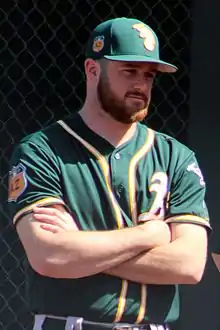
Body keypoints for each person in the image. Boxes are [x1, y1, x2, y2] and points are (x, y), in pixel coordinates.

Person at [8, 17, 210, 330]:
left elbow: (189, 265)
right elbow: (49, 256)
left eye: (149, 75)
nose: (141, 84)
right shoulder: (42, 150)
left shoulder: (176, 157)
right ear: (92, 70)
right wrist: (150, 235)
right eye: (129, 71)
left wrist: (80, 250)